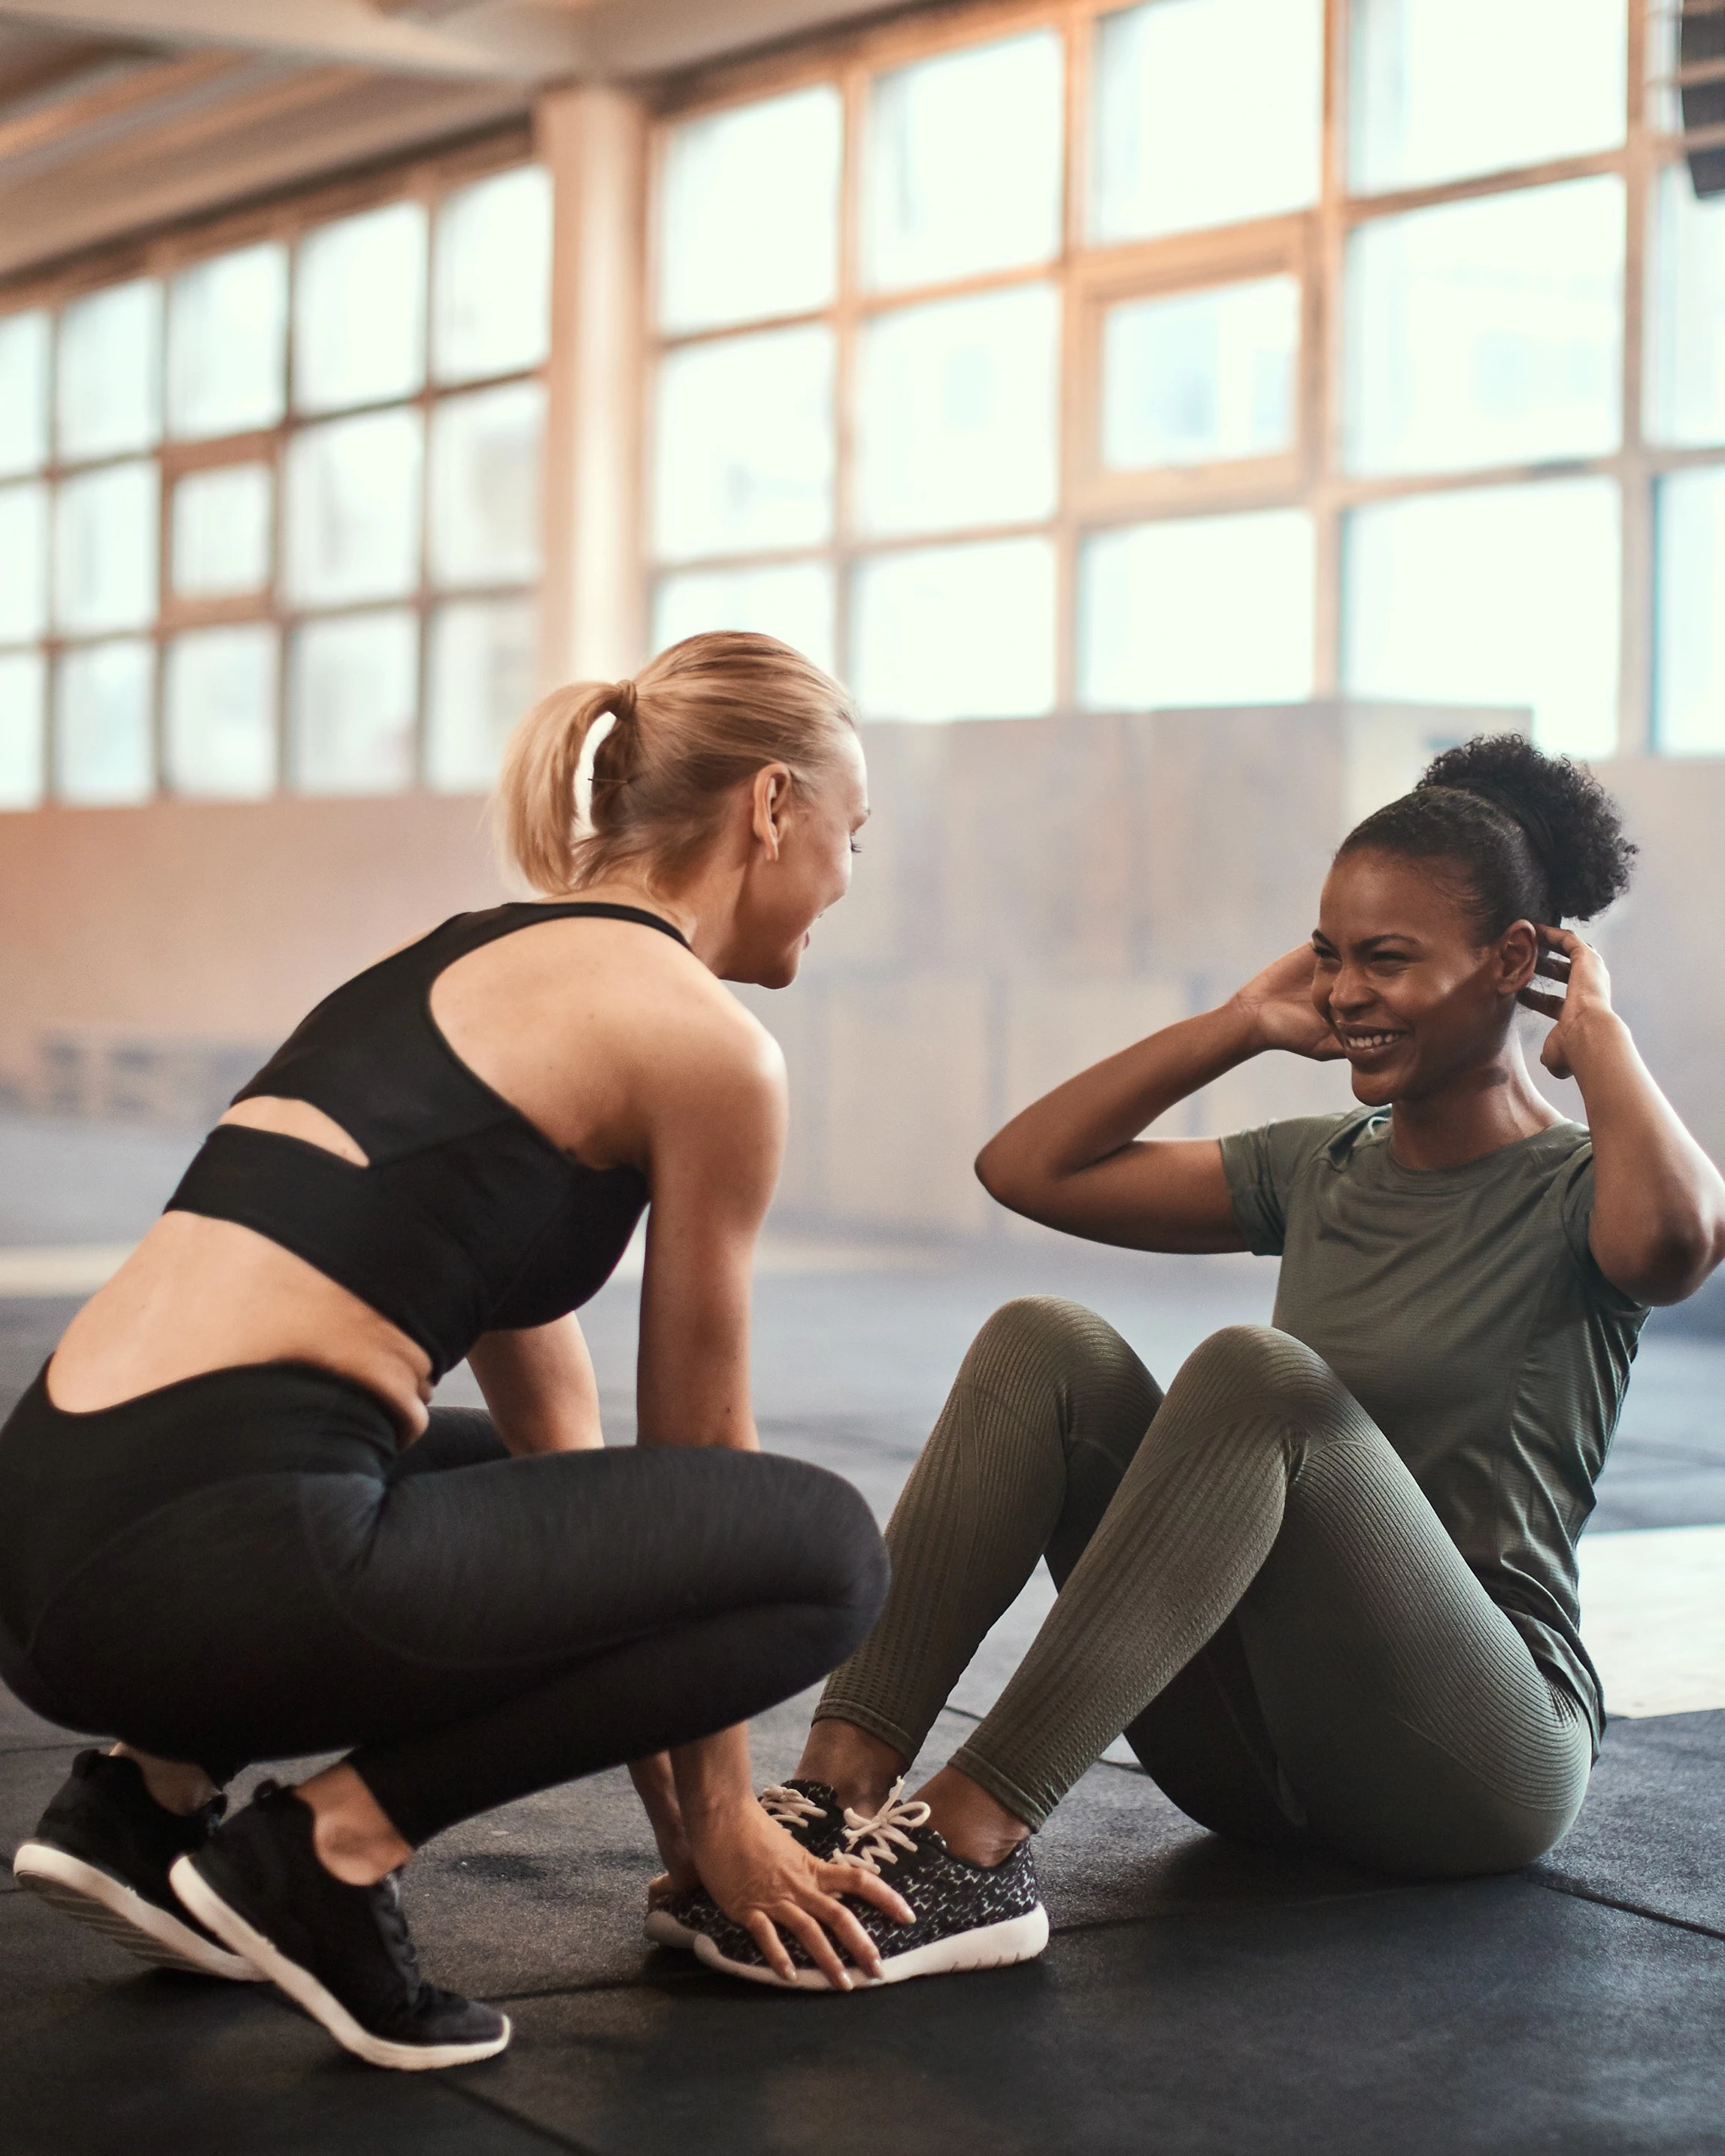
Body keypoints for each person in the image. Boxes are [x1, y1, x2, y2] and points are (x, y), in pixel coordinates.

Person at [659, 732, 1725, 1990]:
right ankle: (833, 1798)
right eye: (1331, 956)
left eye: (1386, 959)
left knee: (1257, 1375)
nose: (1344, 993)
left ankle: (969, 1845)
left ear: (1513, 964)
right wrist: (1233, 1025)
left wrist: (1597, 1033)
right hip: (1254, 1756)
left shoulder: (1578, 1188)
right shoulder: (1323, 1164)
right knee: (1042, 1341)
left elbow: (1675, 1240)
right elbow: (1026, 1168)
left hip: (1471, 1764)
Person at [3, 630, 914, 2070]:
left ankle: (146, 1799)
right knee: (821, 1551)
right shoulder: (704, 1043)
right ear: (772, 807)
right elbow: (703, 1448)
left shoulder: (472, 963)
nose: (849, 879)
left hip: (52, 1530)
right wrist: (734, 1823)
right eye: (852, 836)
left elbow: (580, 1481)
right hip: (208, 1563)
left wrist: (679, 1824)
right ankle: (326, 1852)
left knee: (545, 1482)